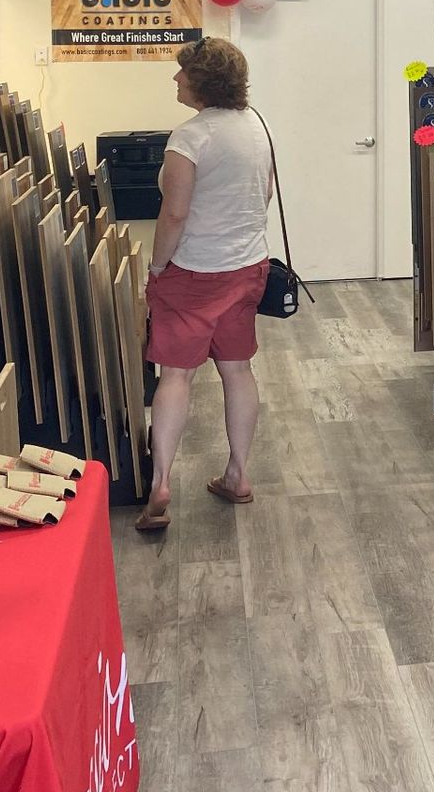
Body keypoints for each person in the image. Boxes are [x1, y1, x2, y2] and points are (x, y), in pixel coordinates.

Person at [134, 36, 274, 532]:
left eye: (182, 73)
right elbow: (266, 192)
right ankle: (238, 474)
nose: (176, 79)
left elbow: (173, 214)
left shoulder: (189, 138)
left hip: (192, 273)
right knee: (237, 371)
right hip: (246, 267)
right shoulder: (256, 127)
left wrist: (155, 270)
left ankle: (161, 482)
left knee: (176, 376)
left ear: (201, 82)